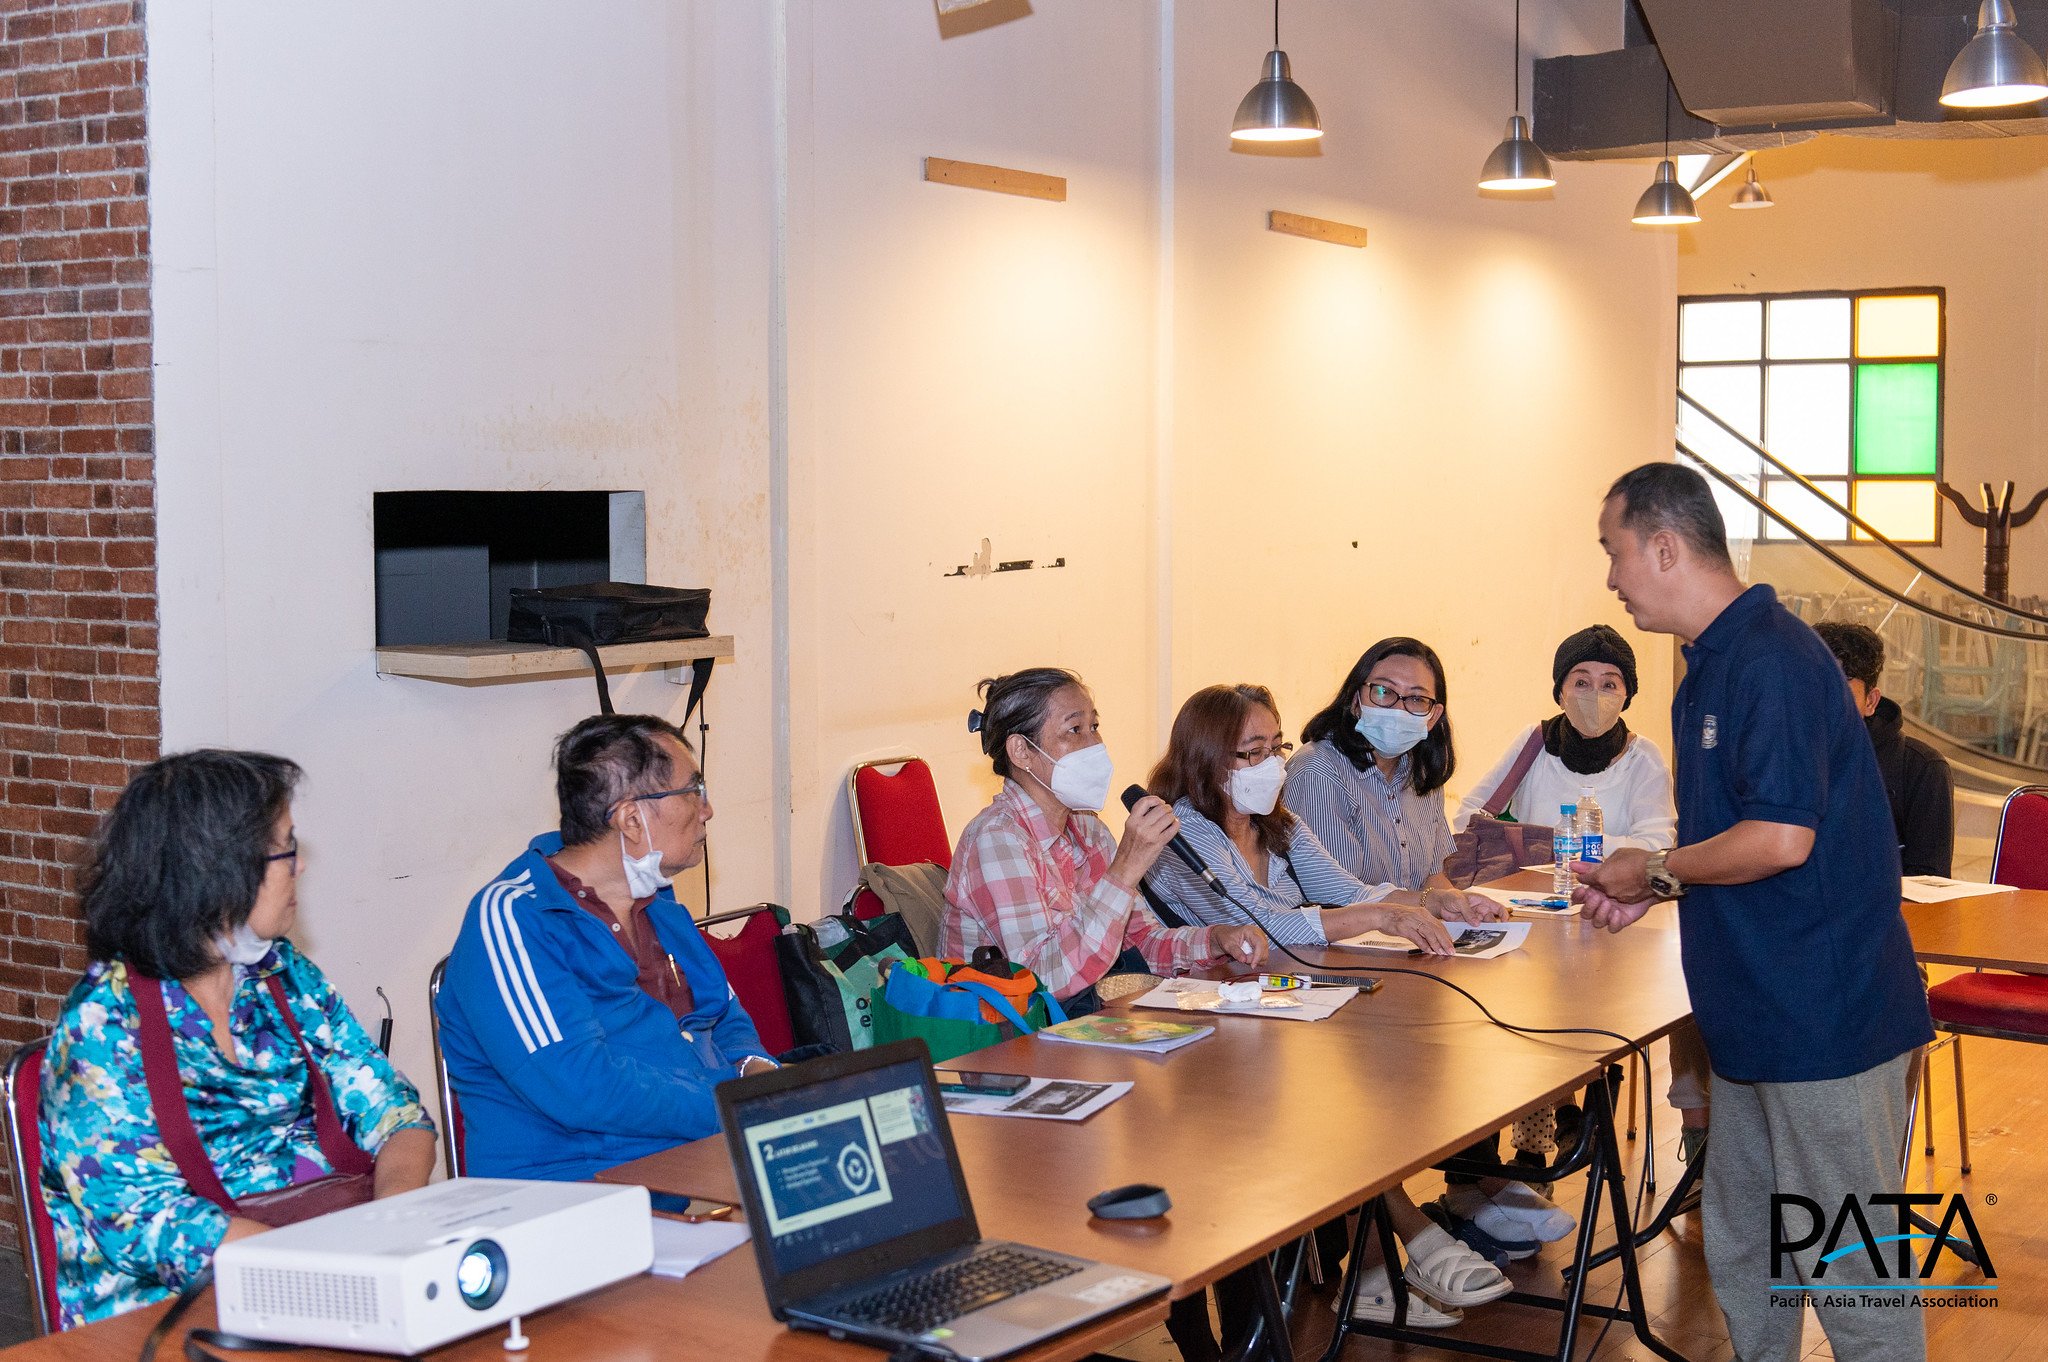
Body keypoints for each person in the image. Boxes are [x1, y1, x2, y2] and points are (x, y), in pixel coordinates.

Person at [1578, 463, 1934, 1362]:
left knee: (1851, 1271)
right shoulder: (1710, 665)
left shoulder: (1771, 659)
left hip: (1826, 1021)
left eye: (1614, 552)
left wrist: (1653, 867)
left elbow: (1781, 839)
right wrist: (1660, 883)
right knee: (1743, 1245)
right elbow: (1732, 845)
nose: (1612, 578)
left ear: (1663, 546)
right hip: (1751, 1020)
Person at [1147, 684, 1514, 1329]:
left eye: (1275, 745)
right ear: (1205, 759)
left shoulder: (1275, 825)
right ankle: (1411, 1243)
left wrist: (1426, 902)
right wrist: (1380, 913)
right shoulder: (1186, 832)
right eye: (1250, 751)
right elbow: (1267, 925)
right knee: (1335, 1109)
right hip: (1209, 1044)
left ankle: (1380, 1274)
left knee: (1361, 1088)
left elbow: (1346, 889)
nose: (1270, 763)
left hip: (1281, 1019)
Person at [40, 751, 436, 1327]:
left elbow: (397, 1115)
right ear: (220, 872)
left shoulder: (283, 976)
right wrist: (332, 1274)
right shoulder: (103, 1027)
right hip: (165, 1318)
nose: (299, 868)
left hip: (328, 1275)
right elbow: (147, 1223)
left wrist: (388, 1228)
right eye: (286, 850)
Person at [1287, 639, 1576, 1252]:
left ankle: (1473, 1184)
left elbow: (1437, 865)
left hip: (1411, 952)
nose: (1397, 706)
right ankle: (1434, 1204)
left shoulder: (1419, 772)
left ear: (1434, 714)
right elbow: (1331, 886)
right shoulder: (1318, 768)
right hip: (1340, 960)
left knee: (1478, 1028)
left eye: (1415, 698)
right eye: (1383, 691)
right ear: (1357, 694)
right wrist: (1424, 902)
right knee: (1433, 1043)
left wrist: (1455, 897)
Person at [437, 713, 774, 1182]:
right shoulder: (515, 917)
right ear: (632, 819)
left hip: (697, 1165)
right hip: (578, 1195)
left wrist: (759, 1070)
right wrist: (741, 1104)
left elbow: (726, 1016)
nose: (707, 809)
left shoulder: (657, 901)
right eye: (693, 790)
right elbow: (580, 1088)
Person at [1454, 627, 1709, 1168]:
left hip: (1616, 921)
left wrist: (1550, 842)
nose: (1595, 695)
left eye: (1610, 683)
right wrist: (1585, 847)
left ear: (1628, 693)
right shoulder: (1533, 744)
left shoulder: (1643, 758)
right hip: (1534, 918)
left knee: (1585, 1010)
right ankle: (1531, 1151)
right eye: (1581, 681)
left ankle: (1585, 1102)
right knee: (1513, 1010)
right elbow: (1467, 819)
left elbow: (1657, 842)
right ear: (1559, 689)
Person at [940, 667, 1266, 1017]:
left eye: (1094, 727)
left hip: (1083, 1024)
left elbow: (1140, 945)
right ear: (1022, 751)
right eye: (1074, 730)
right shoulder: (996, 840)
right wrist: (1125, 868)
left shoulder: (1088, 830)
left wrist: (1214, 939)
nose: (1095, 744)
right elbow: (1043, 980)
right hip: (1005, 1045)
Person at [1814, 621, 1955, 878]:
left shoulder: (1920, 769)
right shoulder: (1781, 757)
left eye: (1841, 695)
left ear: (1871, 701)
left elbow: (1930, 884)